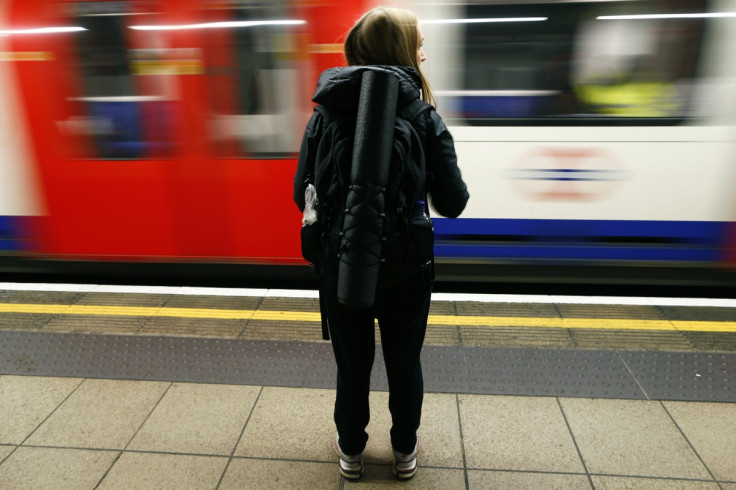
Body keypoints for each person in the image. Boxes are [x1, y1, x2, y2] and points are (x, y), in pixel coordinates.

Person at [293, 6, 469, 480]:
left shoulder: (324, 112)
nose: (424, 54)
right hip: (406, 267)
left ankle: (350, 451)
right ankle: (404, 452)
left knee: (352, 363)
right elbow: (454, 202)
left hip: (341, 258)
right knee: (403, 361)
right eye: (419, 45)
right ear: (404, 52)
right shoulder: (422, 114)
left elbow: (298, 194)